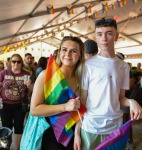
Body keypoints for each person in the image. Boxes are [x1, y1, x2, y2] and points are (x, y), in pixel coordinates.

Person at [74, 17, 142, 150]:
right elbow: (81, 101)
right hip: (90, 126)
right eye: (100, 34)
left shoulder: (123, 66)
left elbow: (121, 98)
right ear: (96, 36)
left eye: (109, 33)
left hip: (115, 128)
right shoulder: (88, 65)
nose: (104, 38)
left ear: (116, 36)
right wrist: (77, 132)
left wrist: (131, 102)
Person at [30, 36, 85, 150]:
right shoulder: (46, 75)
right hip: (49, 132)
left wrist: (78, 134)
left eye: (74, 51)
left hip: (72, 132)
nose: (68, 54)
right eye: (64, 49)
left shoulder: (82, 79)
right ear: (60, 52)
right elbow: (34, 110)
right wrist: (65, 106)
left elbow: (82, 110)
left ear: (80, 55)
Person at [0, 54, 32, 150]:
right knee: (7, 127)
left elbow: (32, 89)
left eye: (18, 61)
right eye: (14, 61)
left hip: (20, 105)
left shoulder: (26, 74)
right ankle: (6, 147)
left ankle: (16, 148)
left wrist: (29, 85)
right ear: (10, 62)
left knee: (19, 127)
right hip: (5, 105)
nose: (16, 64)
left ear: (21, 63)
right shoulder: (4, 73)